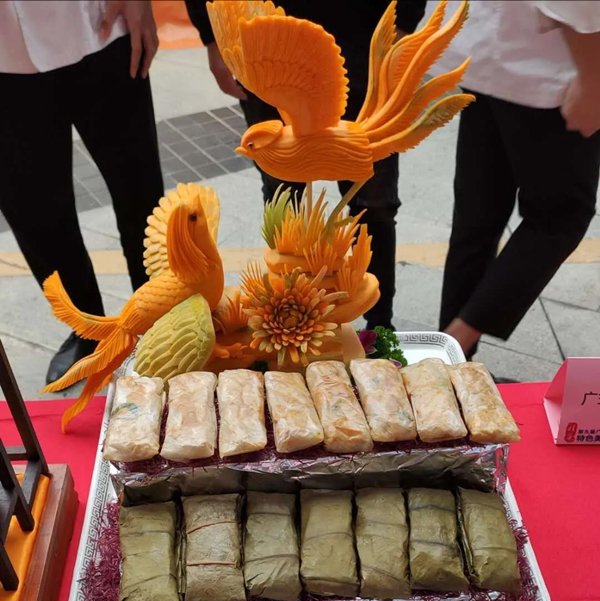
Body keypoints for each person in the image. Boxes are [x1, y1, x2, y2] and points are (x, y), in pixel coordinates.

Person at [185, 0, 427, 334]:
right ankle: (290, 325)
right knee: (284, 198)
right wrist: (213, 35)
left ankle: (380, 326)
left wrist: (403, 25)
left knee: (374, 204)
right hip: (264, 48)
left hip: (364, 42)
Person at [0, 0, 164, 386]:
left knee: (141, 195)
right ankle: (86, 330)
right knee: (36, 214)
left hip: (100, 25)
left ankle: (163, 318)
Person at [432, 0, 600, 358]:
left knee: (478, 217)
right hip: (546, 71)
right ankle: (454, 342)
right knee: (559, 219)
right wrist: (593, 81)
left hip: (491, 53)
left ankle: (448, 364)